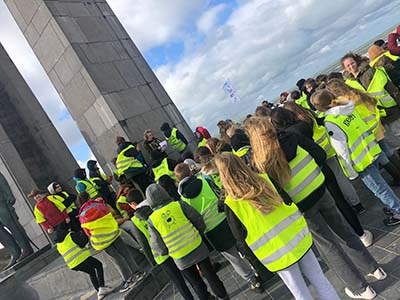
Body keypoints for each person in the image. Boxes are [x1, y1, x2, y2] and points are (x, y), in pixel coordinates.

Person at [247, 116, 386, 299]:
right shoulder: (293, 136)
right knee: (345, 231)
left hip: (303, 206)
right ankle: (374, 269)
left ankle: (361, 288)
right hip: (320, 190)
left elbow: (275, 191)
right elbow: (320, 154)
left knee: (329, 247)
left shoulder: (259, 162)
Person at [215, 153, 340, 300]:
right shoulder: (265, 179)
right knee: (320, 280)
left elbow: (240, 238)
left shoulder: (231, 204)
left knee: (300, 293)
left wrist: (258, 268)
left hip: (275, 253)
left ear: (223, 175)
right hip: (297, 238)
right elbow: (287, 200)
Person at [270, 107, 373, 247]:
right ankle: (361, 233)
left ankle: (348, 240)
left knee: (330, 211)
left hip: (308, 177)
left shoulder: (285, 139)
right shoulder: (302, 126)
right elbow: (318, 153)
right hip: (323, 168)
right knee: (340, 201)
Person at [311, 89, 400, 227]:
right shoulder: (347, 107)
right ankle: (393, 204)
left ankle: (397, 210)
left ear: (319, 108)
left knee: (379, 188)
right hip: (371, 149)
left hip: (360, 160)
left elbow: (342, 150)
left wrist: (350, 172)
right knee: (381, 184)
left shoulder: (331, 122)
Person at [175, 163, 263, 293]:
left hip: (211, 231)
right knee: (245, 245)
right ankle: (261, 268)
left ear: (178, 180)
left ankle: (253, 281)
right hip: (226, 220)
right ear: (191, 172)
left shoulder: (183, 200)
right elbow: (221, 195)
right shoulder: (205, 181)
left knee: (234, 258)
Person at [146, 184, 229, 300]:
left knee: (196, 283)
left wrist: (167, 251)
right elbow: (198, 219)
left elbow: (157, 244)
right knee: (210, 275)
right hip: (197, 246)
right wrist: (198, 233)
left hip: (179, 256)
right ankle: (223, 296)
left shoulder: (152, 220)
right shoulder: (179, 205)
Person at [326, 79, 400, 186]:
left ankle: (397, 177)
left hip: (367, 130)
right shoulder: (354, 92)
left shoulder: (342, 102)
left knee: (383, 156)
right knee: (387, 151)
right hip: (375, 124)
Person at [127, 191, 195, 300]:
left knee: (179, 282)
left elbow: (144, 243)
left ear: (133, 204)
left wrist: (152, 261)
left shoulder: (136, 220)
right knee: (191, 276)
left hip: (160, 255)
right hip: (174, 246)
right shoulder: (155, 206)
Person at [78, 192, 146, 293]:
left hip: (102, 241)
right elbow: (110, 215)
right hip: (113, 232)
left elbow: (88, 233)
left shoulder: (82, 215)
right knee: (125, 253)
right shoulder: (99, 205)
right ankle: (138, 272)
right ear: (89, 197)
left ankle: (128, 279)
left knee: (117, 259)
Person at [341, 52, 400, 148]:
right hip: (376, 117)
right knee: (392, 142)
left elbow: (391, 88)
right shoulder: (348, 83)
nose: (351, 66)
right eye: (348, 65)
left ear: (356, 61)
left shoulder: (371, 71)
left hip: (390, 109)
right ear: (345, 68)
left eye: (352, 63)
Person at [54, 229, 112, 300]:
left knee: (91, 271)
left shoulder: (58, 245)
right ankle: (102, 287)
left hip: (73, 265)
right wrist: (83, 235)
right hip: (82, 258)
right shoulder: (70, 236)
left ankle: (99, 291)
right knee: (98, 265)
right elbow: (82, 243)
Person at [0, 172, 33, 268]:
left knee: (12, 226)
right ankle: (15, 252)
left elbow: (2, 181)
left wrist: (9, 194)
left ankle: (26, 248)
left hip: (2, 204)